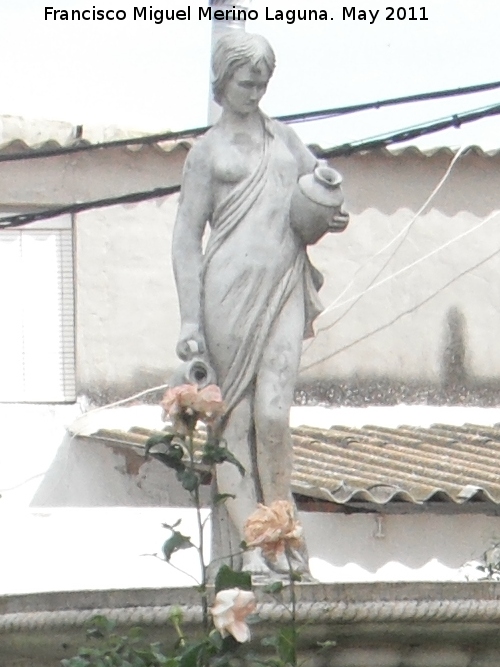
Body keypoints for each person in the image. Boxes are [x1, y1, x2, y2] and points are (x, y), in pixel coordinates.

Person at [172, 31, 345, 576]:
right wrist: (189, 318)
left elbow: (319, 192)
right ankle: (252, 543)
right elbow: (185, 237)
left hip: (283, 286)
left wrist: (331, 212)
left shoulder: (286, 140)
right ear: (222, 82)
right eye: (246, 82)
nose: (255, 91)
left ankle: (283, 533)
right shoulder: (207, 152)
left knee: (273, 415)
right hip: (227, 292)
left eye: (263, 83)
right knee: (233, 419)